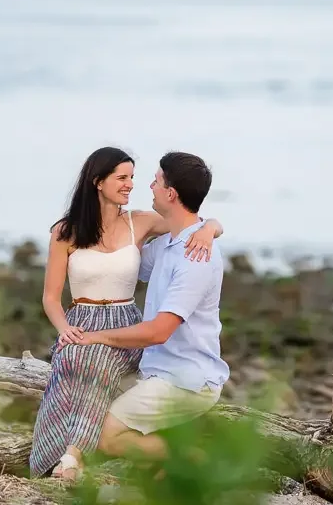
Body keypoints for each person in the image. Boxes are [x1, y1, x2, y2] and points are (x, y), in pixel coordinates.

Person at [29, 147, 224, 479]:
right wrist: (66, 330)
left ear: (170, 192)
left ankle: (73, 457)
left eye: (139, 178)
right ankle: (52, 453)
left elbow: (192, 220)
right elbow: (50, 296)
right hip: (82, 319)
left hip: (127, 322)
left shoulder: (145, 225)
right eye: (123, 177)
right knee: (72, 358)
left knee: (95, 359)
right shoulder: (67, 231)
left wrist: (212, 228)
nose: (135, 185)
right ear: (97, 182)